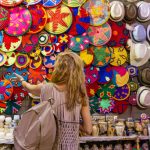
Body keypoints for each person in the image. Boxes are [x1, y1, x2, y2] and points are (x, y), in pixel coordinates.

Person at [13, 51, 92, 150]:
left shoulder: (46, 88)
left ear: (58, 69)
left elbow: (29, 87)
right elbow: (88, 129)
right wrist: (72, 123)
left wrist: (22, 80)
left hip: (48, 144)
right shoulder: (81, 94)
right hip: (71, 146)